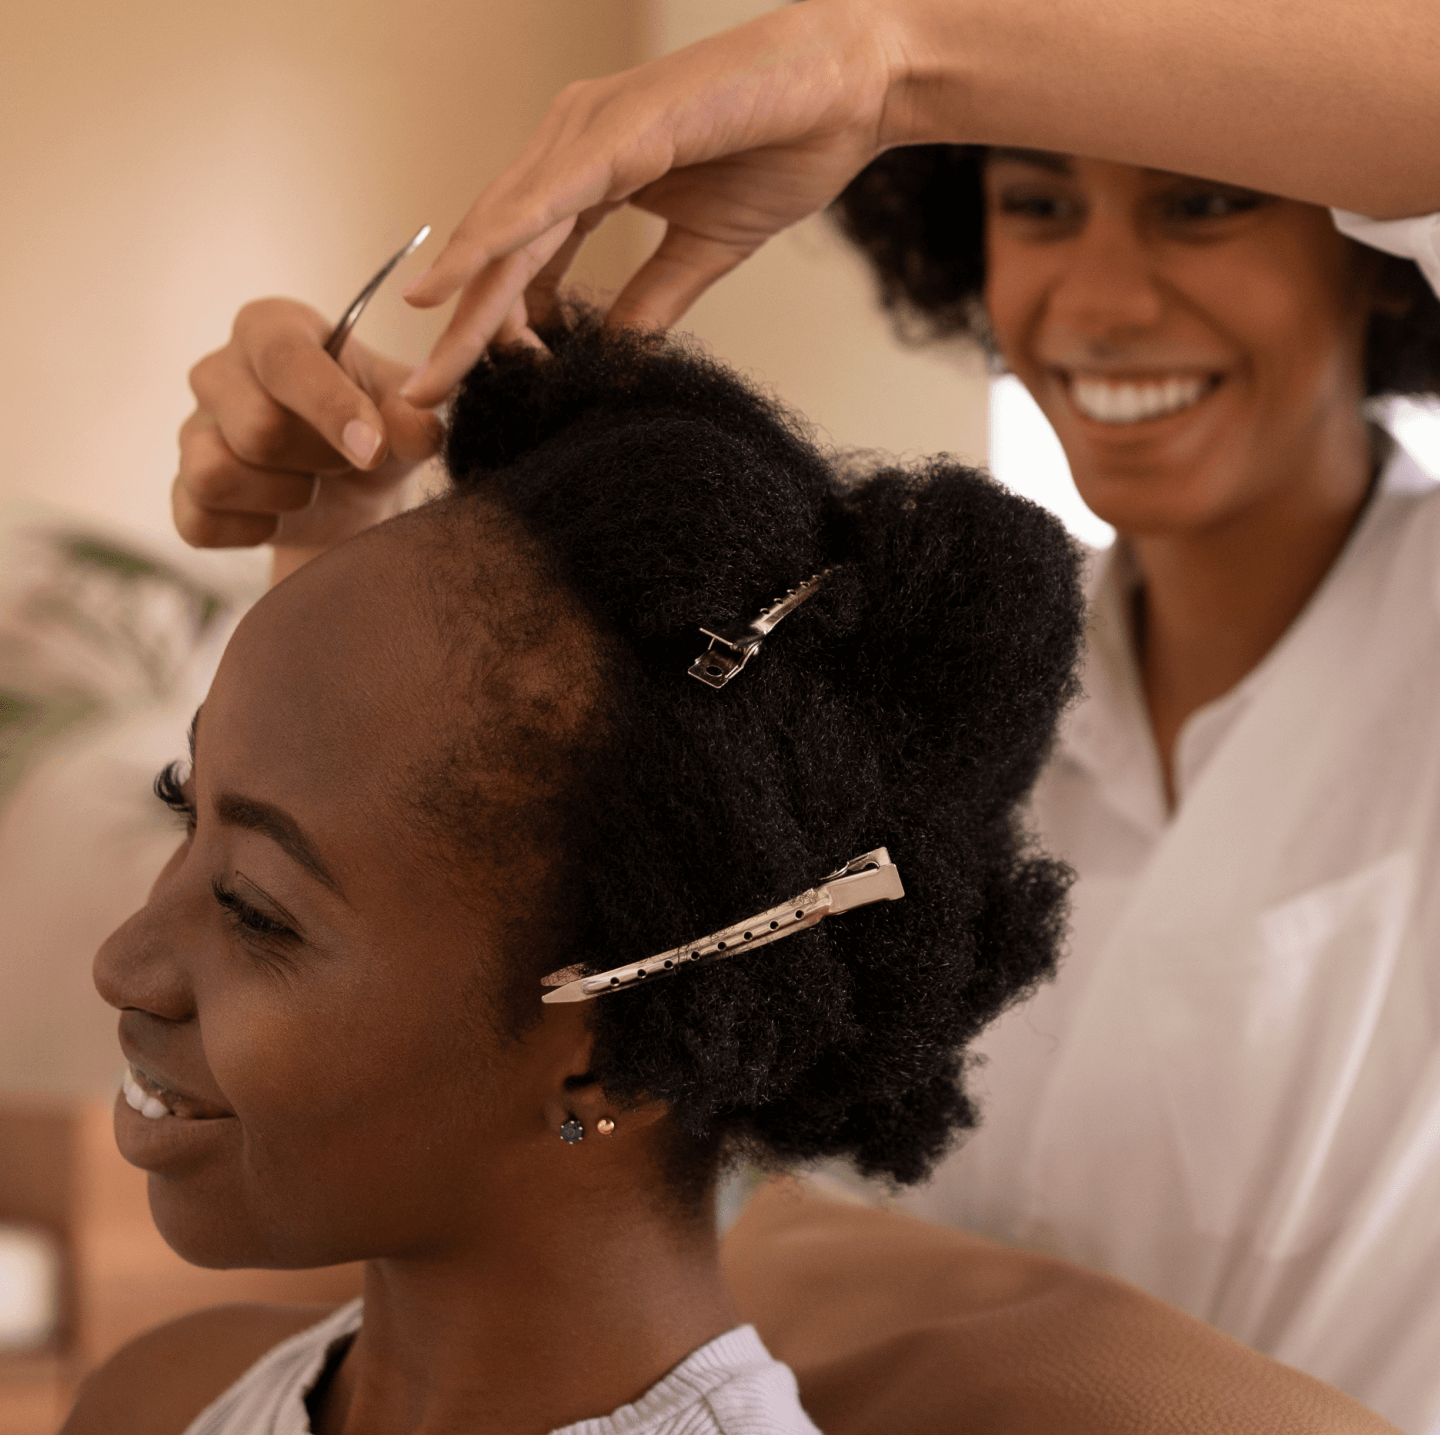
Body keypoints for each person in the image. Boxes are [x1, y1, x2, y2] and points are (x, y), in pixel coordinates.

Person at [164, 0, 1440, 1426]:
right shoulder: (889, 707)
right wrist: (343, 564)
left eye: (1204, 204)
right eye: (1035, 201)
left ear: (1373, 251)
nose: (1100, 297)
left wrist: (898, 54)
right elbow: (573, 1122)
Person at [67, 315, 1090, 1434]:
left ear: (610, 1051)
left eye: (256, 913)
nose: (124, 961)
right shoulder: (159, 1401)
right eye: (184, 802)